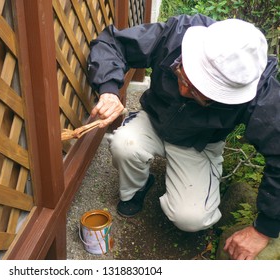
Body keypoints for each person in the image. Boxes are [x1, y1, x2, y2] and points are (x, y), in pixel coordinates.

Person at [87, 14, 280, 260]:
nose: (184, 90)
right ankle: (138, 187)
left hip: (200, 144)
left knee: (192, 219)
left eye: (201, 94)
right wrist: (108, 90)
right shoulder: (178, 33)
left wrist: (264, 229)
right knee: (124, 144)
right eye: (182, 74)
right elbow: (111, 43)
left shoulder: (260, 94)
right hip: (155, 120)